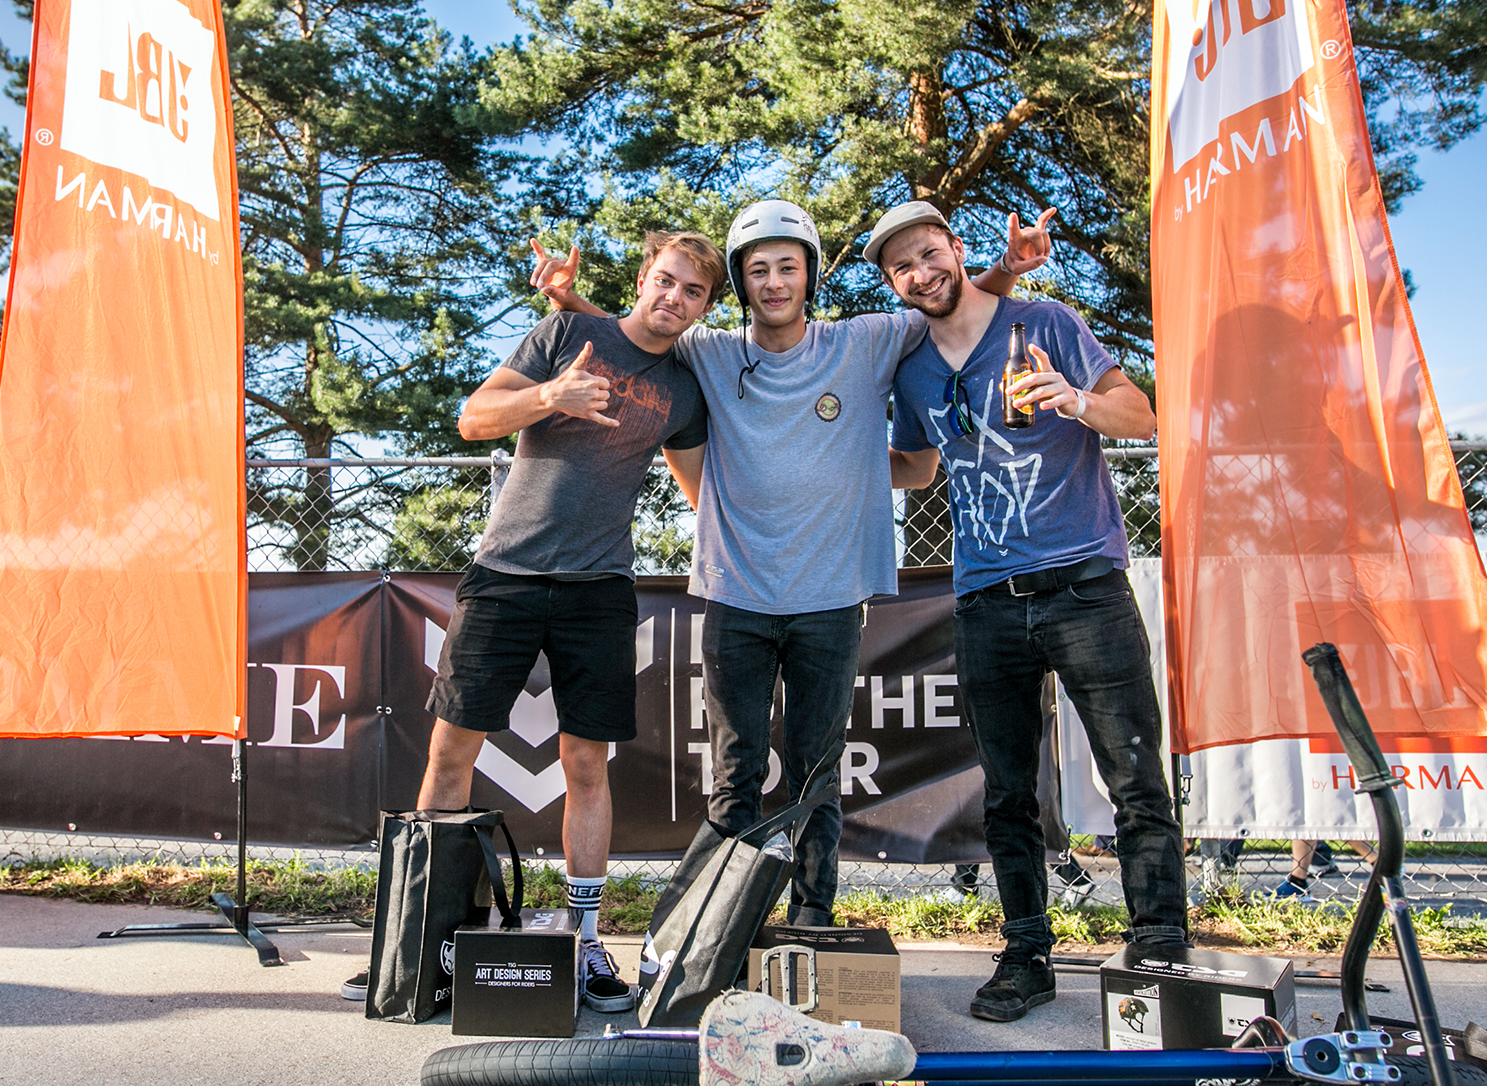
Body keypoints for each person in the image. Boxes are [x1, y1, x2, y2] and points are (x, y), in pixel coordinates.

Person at [540, 201, 1052, 929]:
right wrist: (569, 300)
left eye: (788, 267)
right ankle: (717, 928)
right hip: (737, 596)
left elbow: (943, 298)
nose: (774, 282)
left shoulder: (867, 340)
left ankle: (811, 919)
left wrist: (1006, 267)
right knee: (735, 780)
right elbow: (643, 331)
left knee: (817, 776)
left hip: (832, 600)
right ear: (742, 287)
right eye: (758, 271)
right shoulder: (710, 352)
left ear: (809, 274)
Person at [352, 231, 720, 1013]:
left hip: (599, 591)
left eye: (692, 292)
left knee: (587, 765)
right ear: (642, 279)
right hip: (504, 577)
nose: (673, 298)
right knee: (453, 752)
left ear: (706, 307)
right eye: (664, 281)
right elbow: (474, 417)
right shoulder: (566, 334)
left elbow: (699, 496)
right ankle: (418, 939)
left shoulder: (686, 388)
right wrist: (550, 396)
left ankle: (586, 943)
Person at [873, 200, 1185, 1022]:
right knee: (1007, 794)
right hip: (984, 599)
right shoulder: (910, 365)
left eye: (929, 252)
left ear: (955, 248)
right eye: (902, 265)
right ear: (893, 281)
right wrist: (851, 452)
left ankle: (1159, 948)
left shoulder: (1043, 320)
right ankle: (1026, 952)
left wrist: (1076, 398)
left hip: (1084, 585)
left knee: (1136, 779)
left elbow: (1143, 417)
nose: (921, 272)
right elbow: (918, 470)